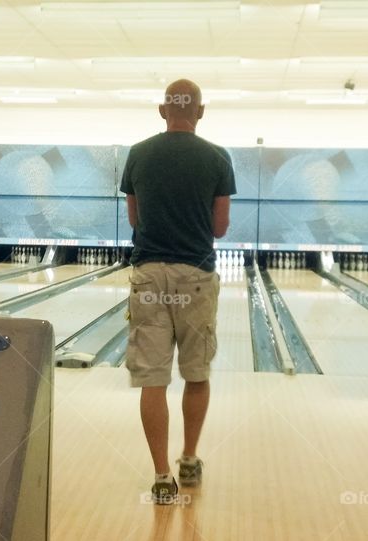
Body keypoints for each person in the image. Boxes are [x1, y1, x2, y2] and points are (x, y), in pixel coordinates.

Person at [120, 79, 235, 505]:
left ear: (161, 110)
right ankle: (189, 458)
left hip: (148, 275)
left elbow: (136, 219)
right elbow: (219, 228)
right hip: (196, 277)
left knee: (153, 379)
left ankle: (161, 476)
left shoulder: (138, 154)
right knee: (196, 372)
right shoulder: (218, 158)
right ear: (201, 112)